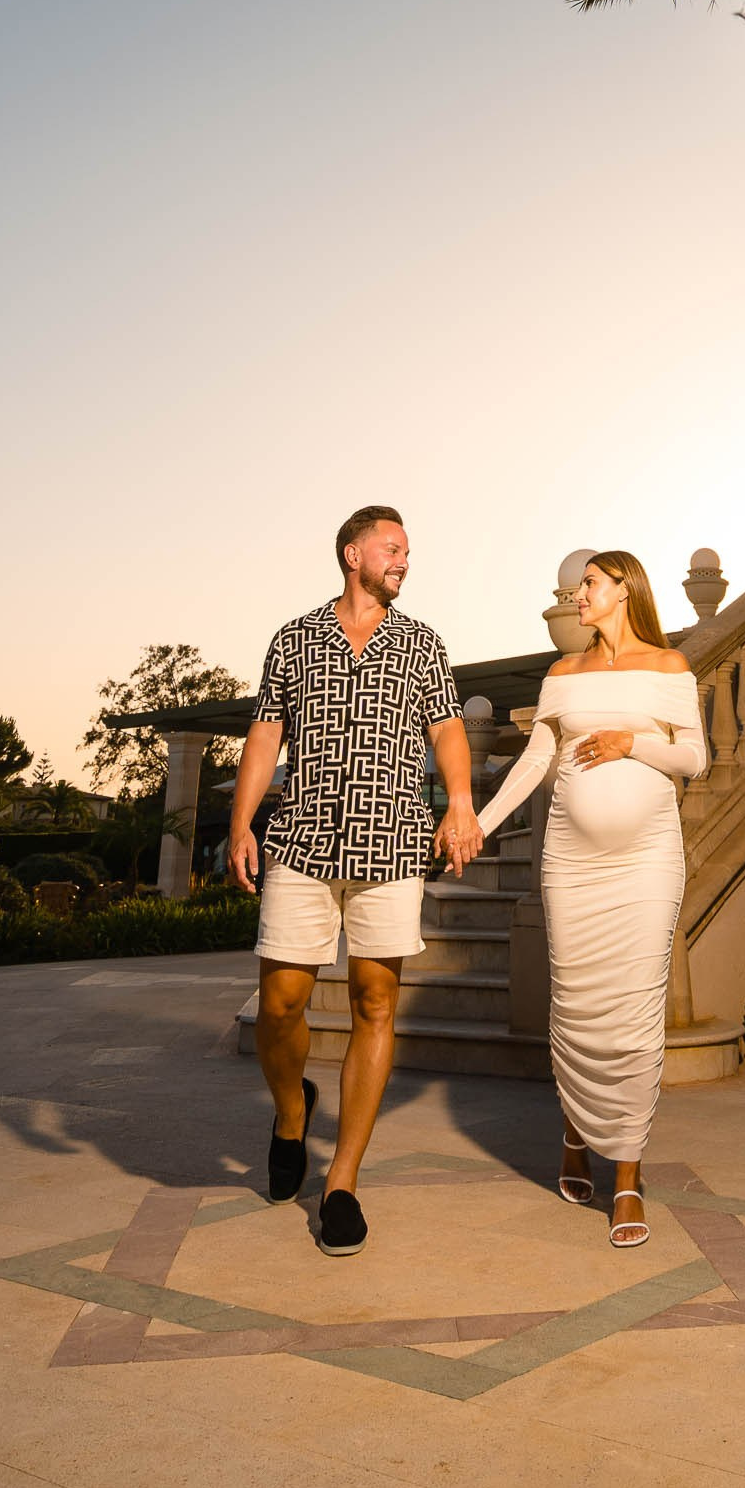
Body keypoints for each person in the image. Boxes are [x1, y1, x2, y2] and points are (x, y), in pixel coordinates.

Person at [228, 504, 479, 1253]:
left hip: (393, 844)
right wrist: (243, 824)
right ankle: (290, 1113)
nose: (404, 559)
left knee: (376, 1001)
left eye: (408, 551)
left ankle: (341, 1182)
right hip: (302, 842)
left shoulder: (422, 643)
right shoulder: (295, 638)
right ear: (352, 553)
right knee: (281, 1003)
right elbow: (266, 733)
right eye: (392, 548)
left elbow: (448, 728)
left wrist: (460, 804)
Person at [476, 550, 706, 1249]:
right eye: (578, 589)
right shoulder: (562, 675)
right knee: (575, 1003)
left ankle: (628, 1175)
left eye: (590, 587)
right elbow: (536, 761)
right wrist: (478, 826)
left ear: (623, 590)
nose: (579, 597)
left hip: (646, 862)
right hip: (572, 864)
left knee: (635, 1009)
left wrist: (631, 742)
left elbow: (695, 759)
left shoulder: (668, 667)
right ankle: (576, 1134)